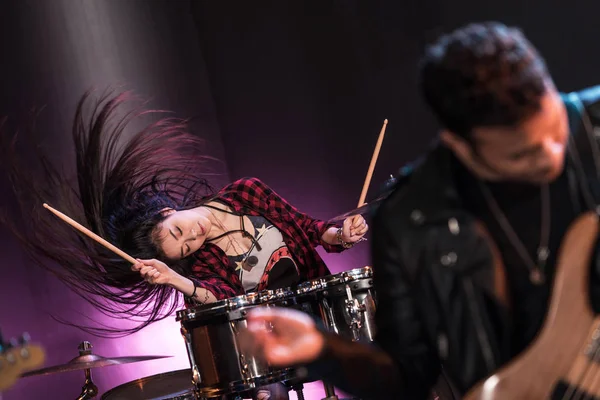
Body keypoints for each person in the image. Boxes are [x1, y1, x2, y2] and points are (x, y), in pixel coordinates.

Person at [240, 21, 600, 399]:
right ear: (460, 144)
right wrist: (322, 351)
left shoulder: (593, 127)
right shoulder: (410, 219)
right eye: (520, 155)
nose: (552, 155)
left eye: (556, 128)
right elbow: (407, 373)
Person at [0, 90, 368, 400]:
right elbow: (216, 296)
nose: (193, 238)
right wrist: (175, 279)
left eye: (179, 231)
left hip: (320, 312)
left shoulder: (247, 192)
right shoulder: (203, 264)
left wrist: (342, 234)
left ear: (168, 211)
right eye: (186, 249)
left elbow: (307, 228)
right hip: (275, 340)